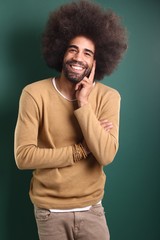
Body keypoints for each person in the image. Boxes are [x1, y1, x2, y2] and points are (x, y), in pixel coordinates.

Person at [14, 0, 127, 239]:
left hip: (92, 211)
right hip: (49, 213)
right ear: (61, 51)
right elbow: (23, 156)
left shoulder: (109, 97)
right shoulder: (33, 94)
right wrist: (80, 151)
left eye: (87, 53)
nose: (78, 57)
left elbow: (106, 154)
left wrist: (84, 103)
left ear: (97, 62)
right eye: (73, 49)